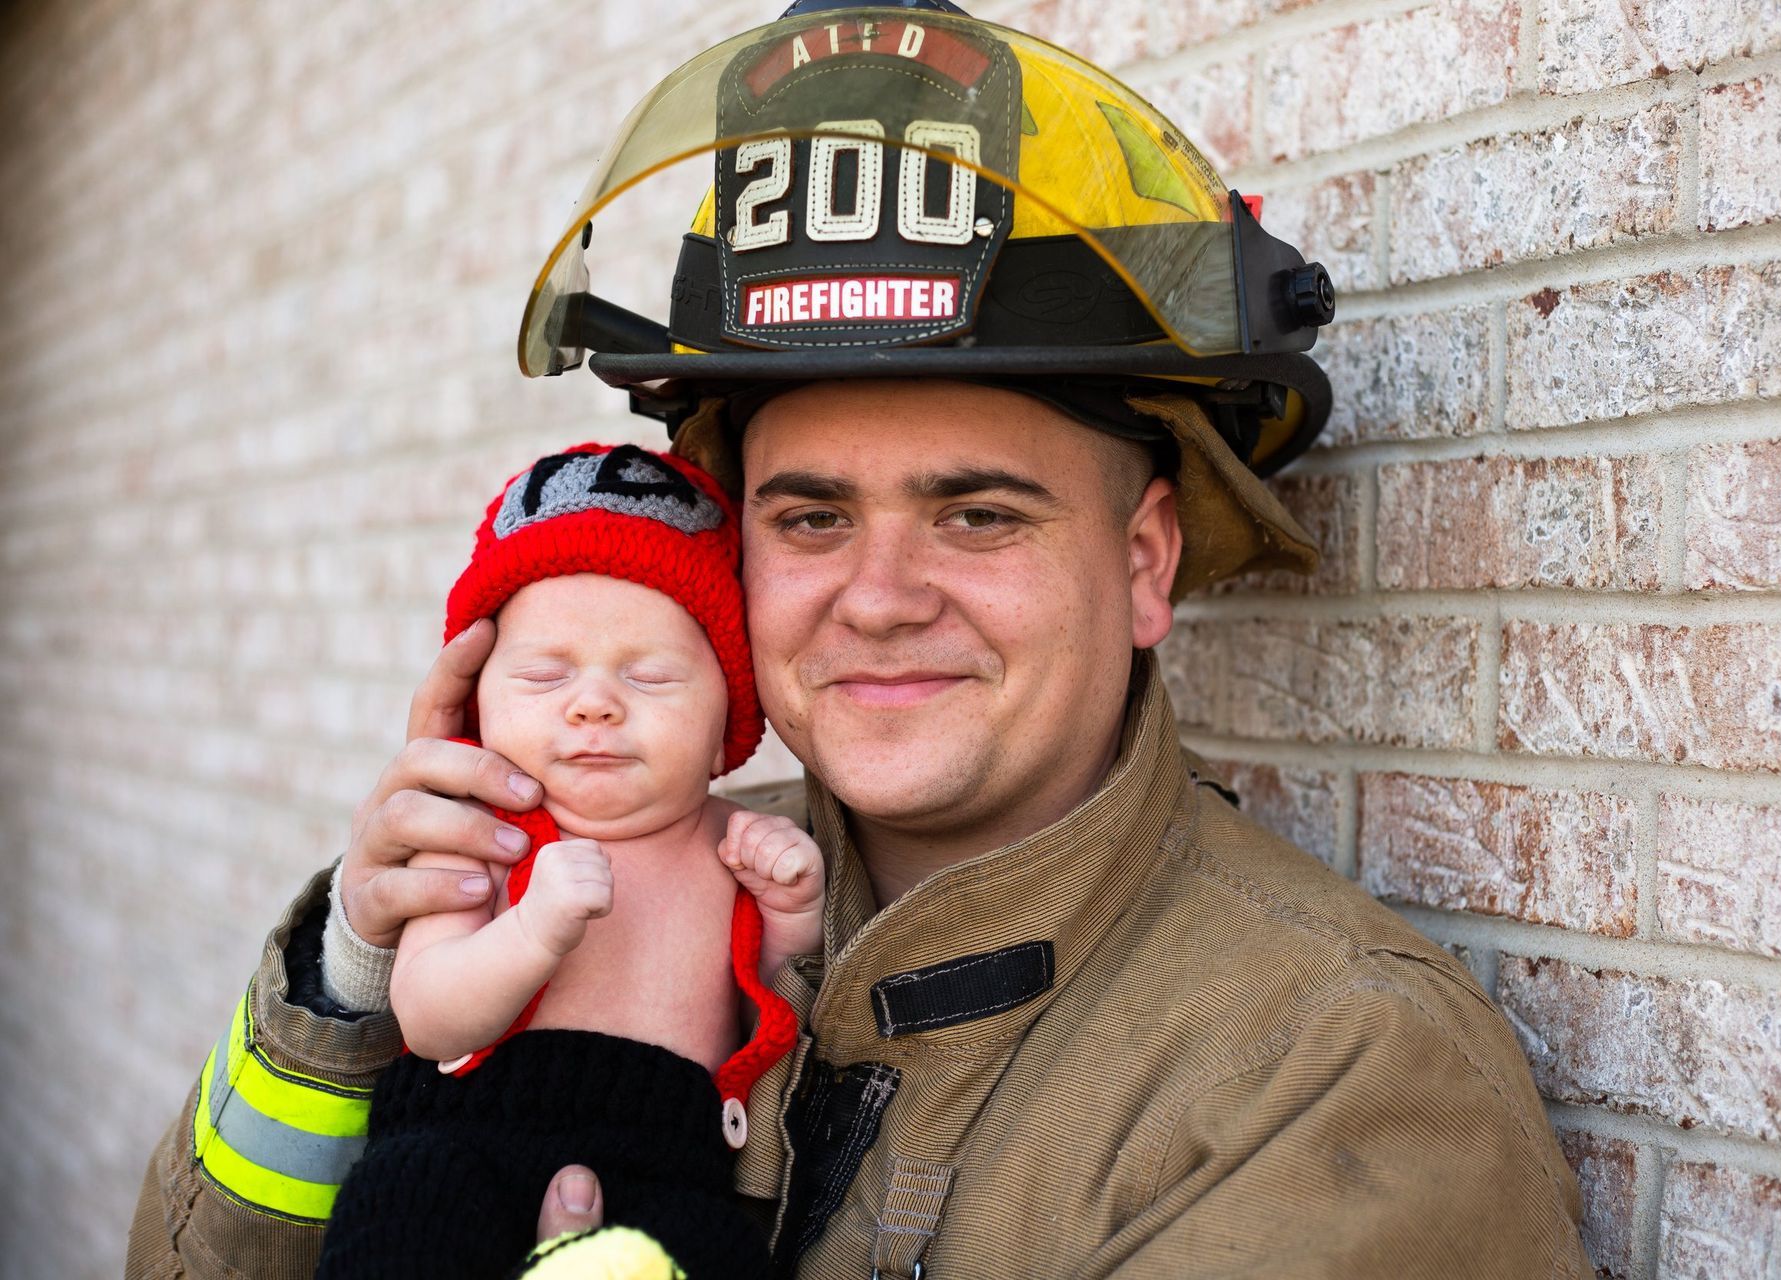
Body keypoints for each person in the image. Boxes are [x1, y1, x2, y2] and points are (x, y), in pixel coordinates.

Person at [128, 3, 1594, 1277]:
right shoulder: (649, 882)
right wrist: (350, 976)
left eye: (977, 516)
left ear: (1146, 561)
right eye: (812, 518)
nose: (878, 597)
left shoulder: (1328, 1075)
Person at [309, 443, 819, 1278]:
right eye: (545, 676)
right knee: (400, 1224)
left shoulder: (733, 843)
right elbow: (431, 1017)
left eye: (651, 678)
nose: (593, 705)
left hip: (671, 1163)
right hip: (461, 1134)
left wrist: (792, 915)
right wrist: (533, 930)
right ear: (478, 700)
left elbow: (773, 1002)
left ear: (731, 706)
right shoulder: (482, 832)